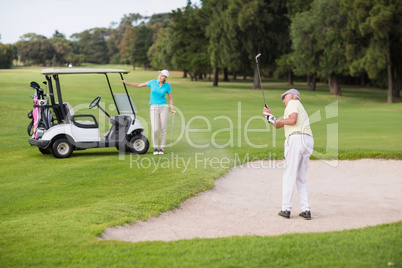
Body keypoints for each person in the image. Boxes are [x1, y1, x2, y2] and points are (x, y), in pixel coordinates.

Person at [263, 88, 314, 220]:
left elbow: (292, 121)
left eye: (284, 97)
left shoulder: (293, 103)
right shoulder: (297, 106)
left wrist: (278, 119)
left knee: (289, 174)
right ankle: (306, 209)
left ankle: (286, 208)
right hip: (307, 140)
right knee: (301, 177)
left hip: (296, 140)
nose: (283, 100)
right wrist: (269, 116)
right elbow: (278, 125)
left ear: (291, 96)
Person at [123, 70, 176, 155]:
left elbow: (170, 98)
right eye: (160, 74)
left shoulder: (167, 86)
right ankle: (156, 148)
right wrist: (127, 83)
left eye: (162, 75)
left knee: (163, 128)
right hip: (153, 107)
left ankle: (161, 148)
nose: (160, 76)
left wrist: (172, 108)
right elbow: (139, 85)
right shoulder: (152, 82)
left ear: (165, 78)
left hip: (164, 108)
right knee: (155, 129)